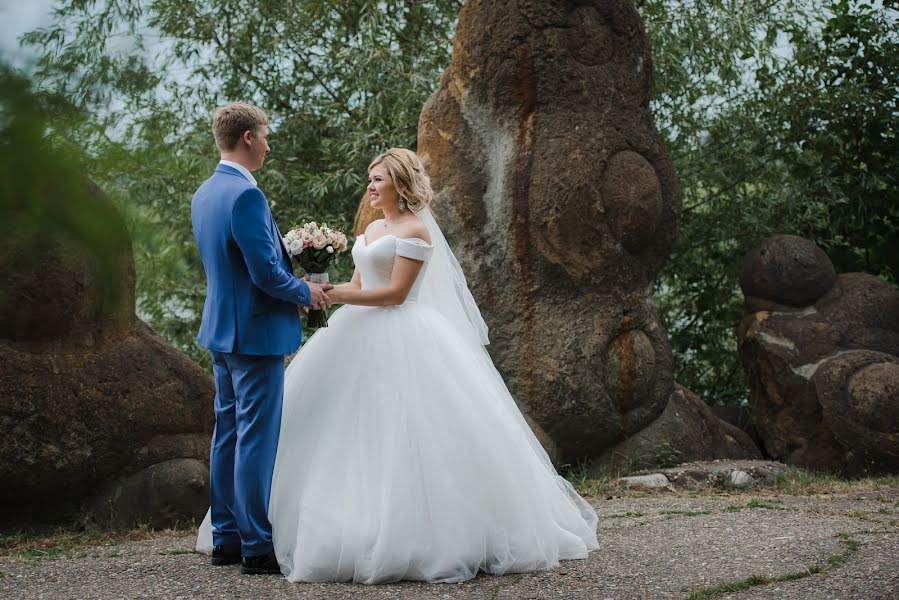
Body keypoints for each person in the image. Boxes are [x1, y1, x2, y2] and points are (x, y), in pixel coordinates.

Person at [197, 148, 599, 583]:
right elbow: (357, 282)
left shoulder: (416, 231)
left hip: (402, 335)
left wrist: (326, 296)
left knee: (403, 430)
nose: (370, 187)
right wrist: (321, 291)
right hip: (354, 332)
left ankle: (415, 532)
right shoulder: (372, 228)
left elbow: (394, 295)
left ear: (401, 184)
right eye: (370, 179)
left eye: (378, 180)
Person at [191, 102, 332, 575]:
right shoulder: (246, 197)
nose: (269, 145)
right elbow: (266, 274)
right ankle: (256, 545)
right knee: (255, 438)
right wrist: (306, 291)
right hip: (255, 336)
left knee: (226, 433)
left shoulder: (206, 193)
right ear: (248, 137)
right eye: (266, 135)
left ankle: (226, 538)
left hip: (222, 334)